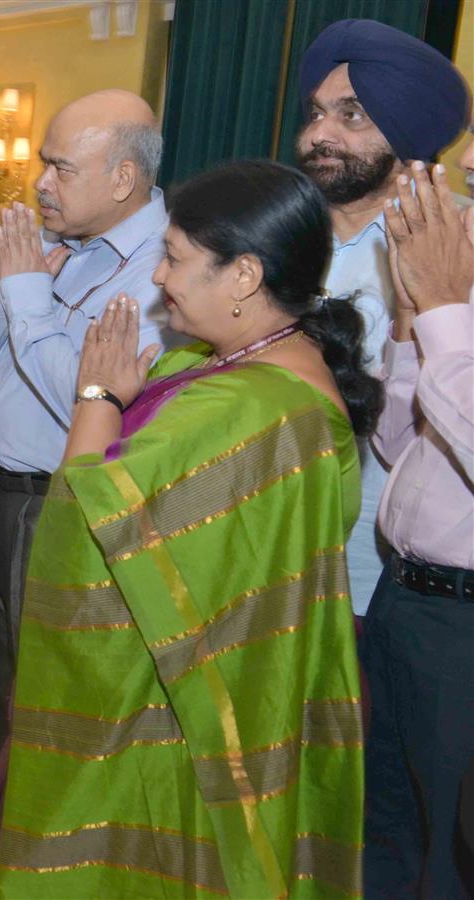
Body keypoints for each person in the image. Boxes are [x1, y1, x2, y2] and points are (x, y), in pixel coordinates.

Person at [0, 160, 378, 897]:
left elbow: (84, 528)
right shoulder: (263, 367)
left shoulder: (249, 411)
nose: (158, 279)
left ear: (244, 275)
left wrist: (97, 396)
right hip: (234, 682)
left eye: (176, 258)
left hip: (179, 712)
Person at [0, 89, 170, 853]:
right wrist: (12, 280)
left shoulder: (162, 268)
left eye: (62, 167)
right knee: (1, 672)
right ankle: (0, 815)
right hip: (2, 491)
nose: (41, 183)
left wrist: (30, 292)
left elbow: (83, 394)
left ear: (123, 177)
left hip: (63, 502)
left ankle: (46, 838)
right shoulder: (71, 245)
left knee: (51, 686)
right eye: (43, 164)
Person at [295, 18, 472, 631]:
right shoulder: (273, 230)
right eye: (315, 114)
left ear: (411, 132)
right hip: (261, 560)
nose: (320, 134)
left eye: (351, 116)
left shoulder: (461, 244)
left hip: (385, 584)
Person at [365, 161, 474, 898]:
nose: (465, 160)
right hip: (404, 597)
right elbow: (401, 445)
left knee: (453, 859)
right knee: (387, 830)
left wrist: (441, 309)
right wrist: (411, 329)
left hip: (464, 630)